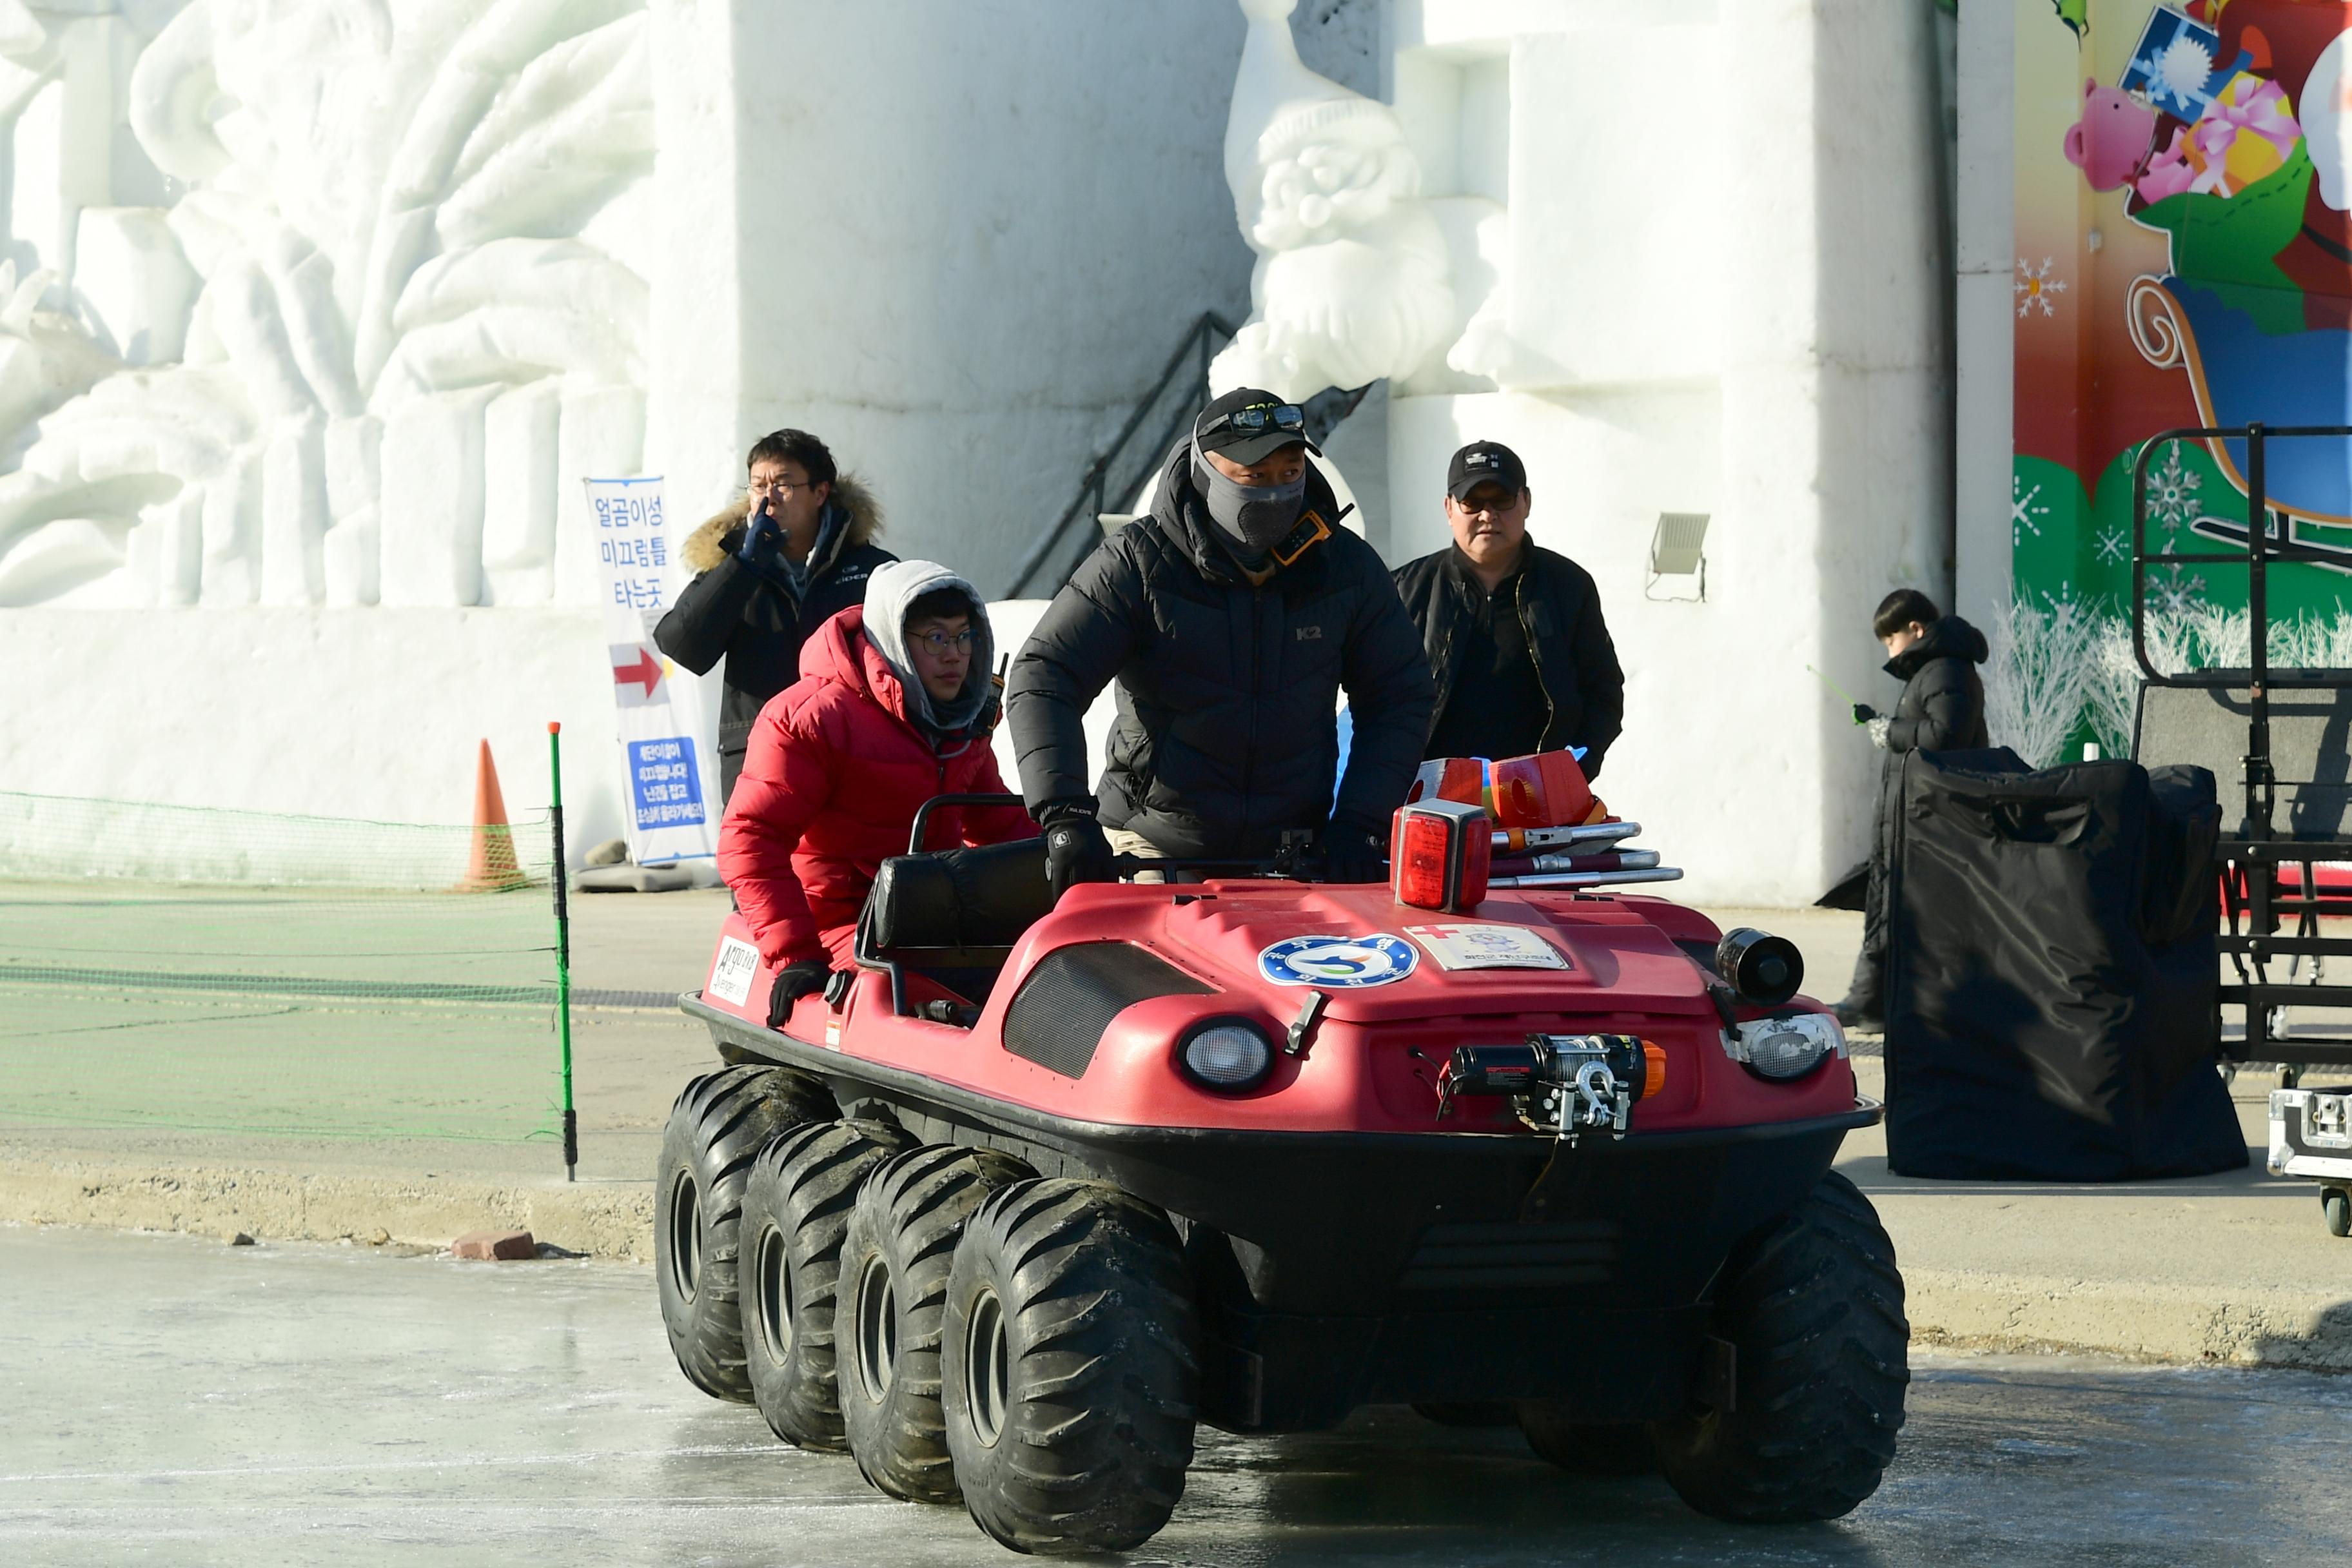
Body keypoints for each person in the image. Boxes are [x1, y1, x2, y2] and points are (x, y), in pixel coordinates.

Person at [1007, 387, 1434, 898]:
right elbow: (1045, 673)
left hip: (1295, 856)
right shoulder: (1138, 564)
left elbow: (1399, 694)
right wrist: (1065, 814)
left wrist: (1362, 821)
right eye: (1255, 477)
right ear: (1205, 472)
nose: (1276, 492)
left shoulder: (1344, 568)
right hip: (1150, 848)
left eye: (1290, 473)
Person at [718, 560, 1035, 1016]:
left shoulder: (963, 722)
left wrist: (1081, 869)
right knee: (943, 1017)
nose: (954, 655)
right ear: (892, 642)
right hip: (841, 928)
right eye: (936, 638)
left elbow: (1000, 824)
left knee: (1051, 987)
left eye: (964, 636)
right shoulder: (810, 719)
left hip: (937, 923)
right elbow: (749, 839)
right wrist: (797, 956)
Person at [656, 429, 894, 805]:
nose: (768, 498)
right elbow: (682, 646)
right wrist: (745, 564)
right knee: (758, 862)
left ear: (820, 493)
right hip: (759, 754)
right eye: (757, 486)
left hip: (853, 751)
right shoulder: (733, 567)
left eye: (783, 484)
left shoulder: (870, 569)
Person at [1392, 440, 1625, 777]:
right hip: (1429, 800)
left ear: (1526, 502)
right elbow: (1374, 703)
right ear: (1448, 508)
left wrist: (1572, 773)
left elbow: (1602, 692)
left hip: (1540, 802)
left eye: (1502, 499)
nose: (1488, 515)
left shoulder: (1569, 587)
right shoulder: (1404, 590)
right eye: (1471, 502)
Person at [1834, 587, 1990, 1030]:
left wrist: (1891, 730)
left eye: (1891, 639)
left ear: (1916, 629)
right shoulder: (1932, 672)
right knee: (1889, 909)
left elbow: (1945, 734)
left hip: (1932, 817)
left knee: (1923, 916)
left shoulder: (1946, 671)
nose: (1890, 649)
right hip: (1912, 815)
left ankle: (1891, 1005)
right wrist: (1885, 724)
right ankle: (1871, 1002)